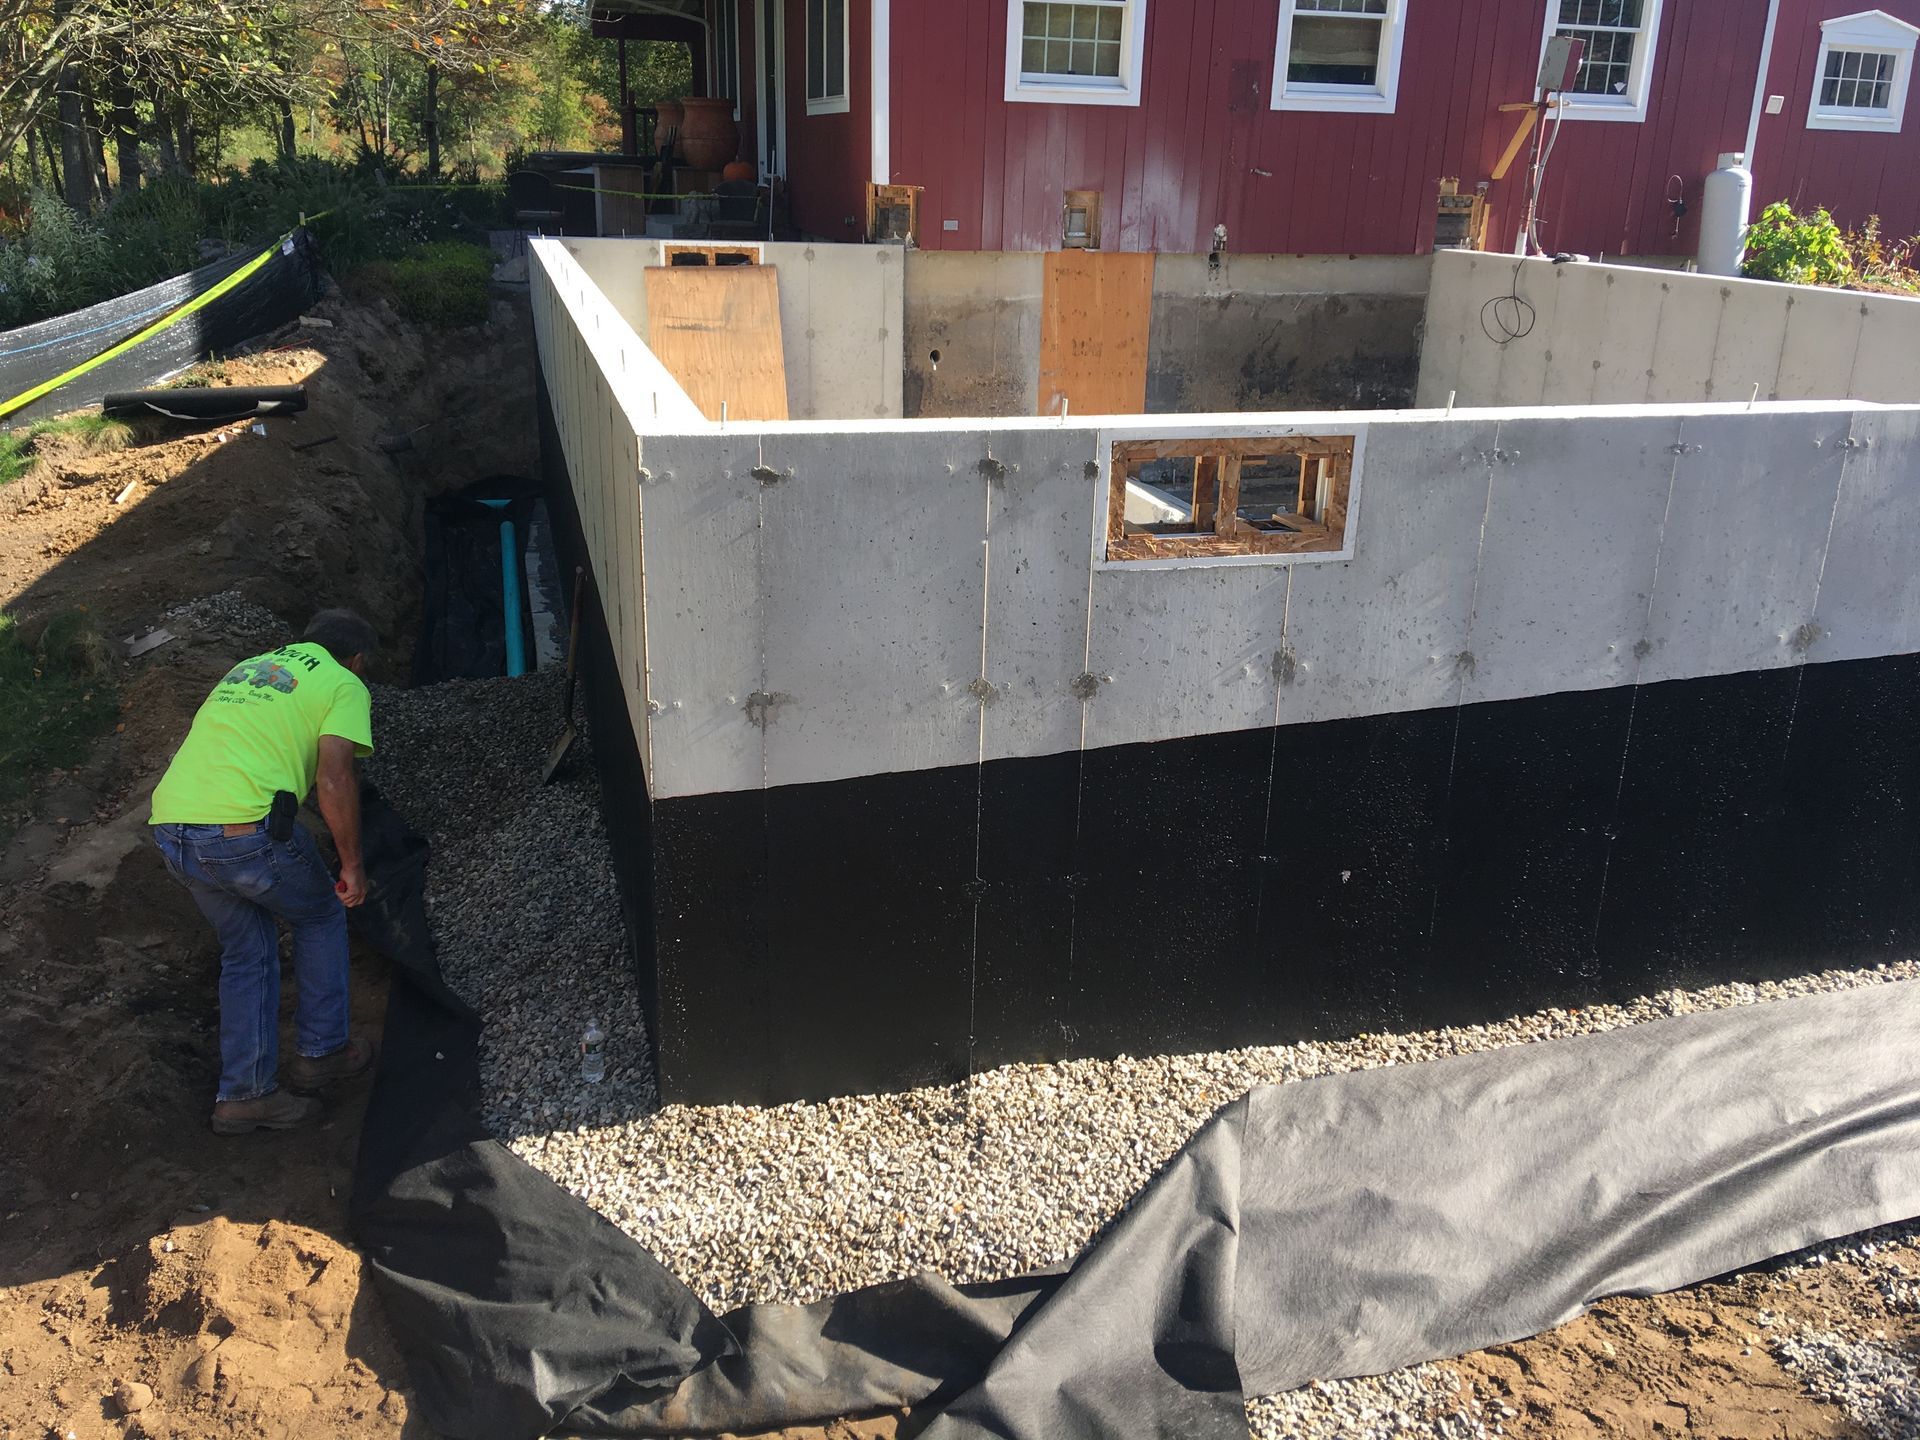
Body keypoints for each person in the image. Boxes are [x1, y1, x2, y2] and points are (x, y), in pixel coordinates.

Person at [150, 609, 380, 1134]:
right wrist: (352, 865)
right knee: (320, 914)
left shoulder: (250, 667)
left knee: (247, 951)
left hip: (173, 831)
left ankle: (244, 1094)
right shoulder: (343, 682)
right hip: (242, 834)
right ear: (357, 660)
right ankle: (322, 1051)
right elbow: (335, 777)